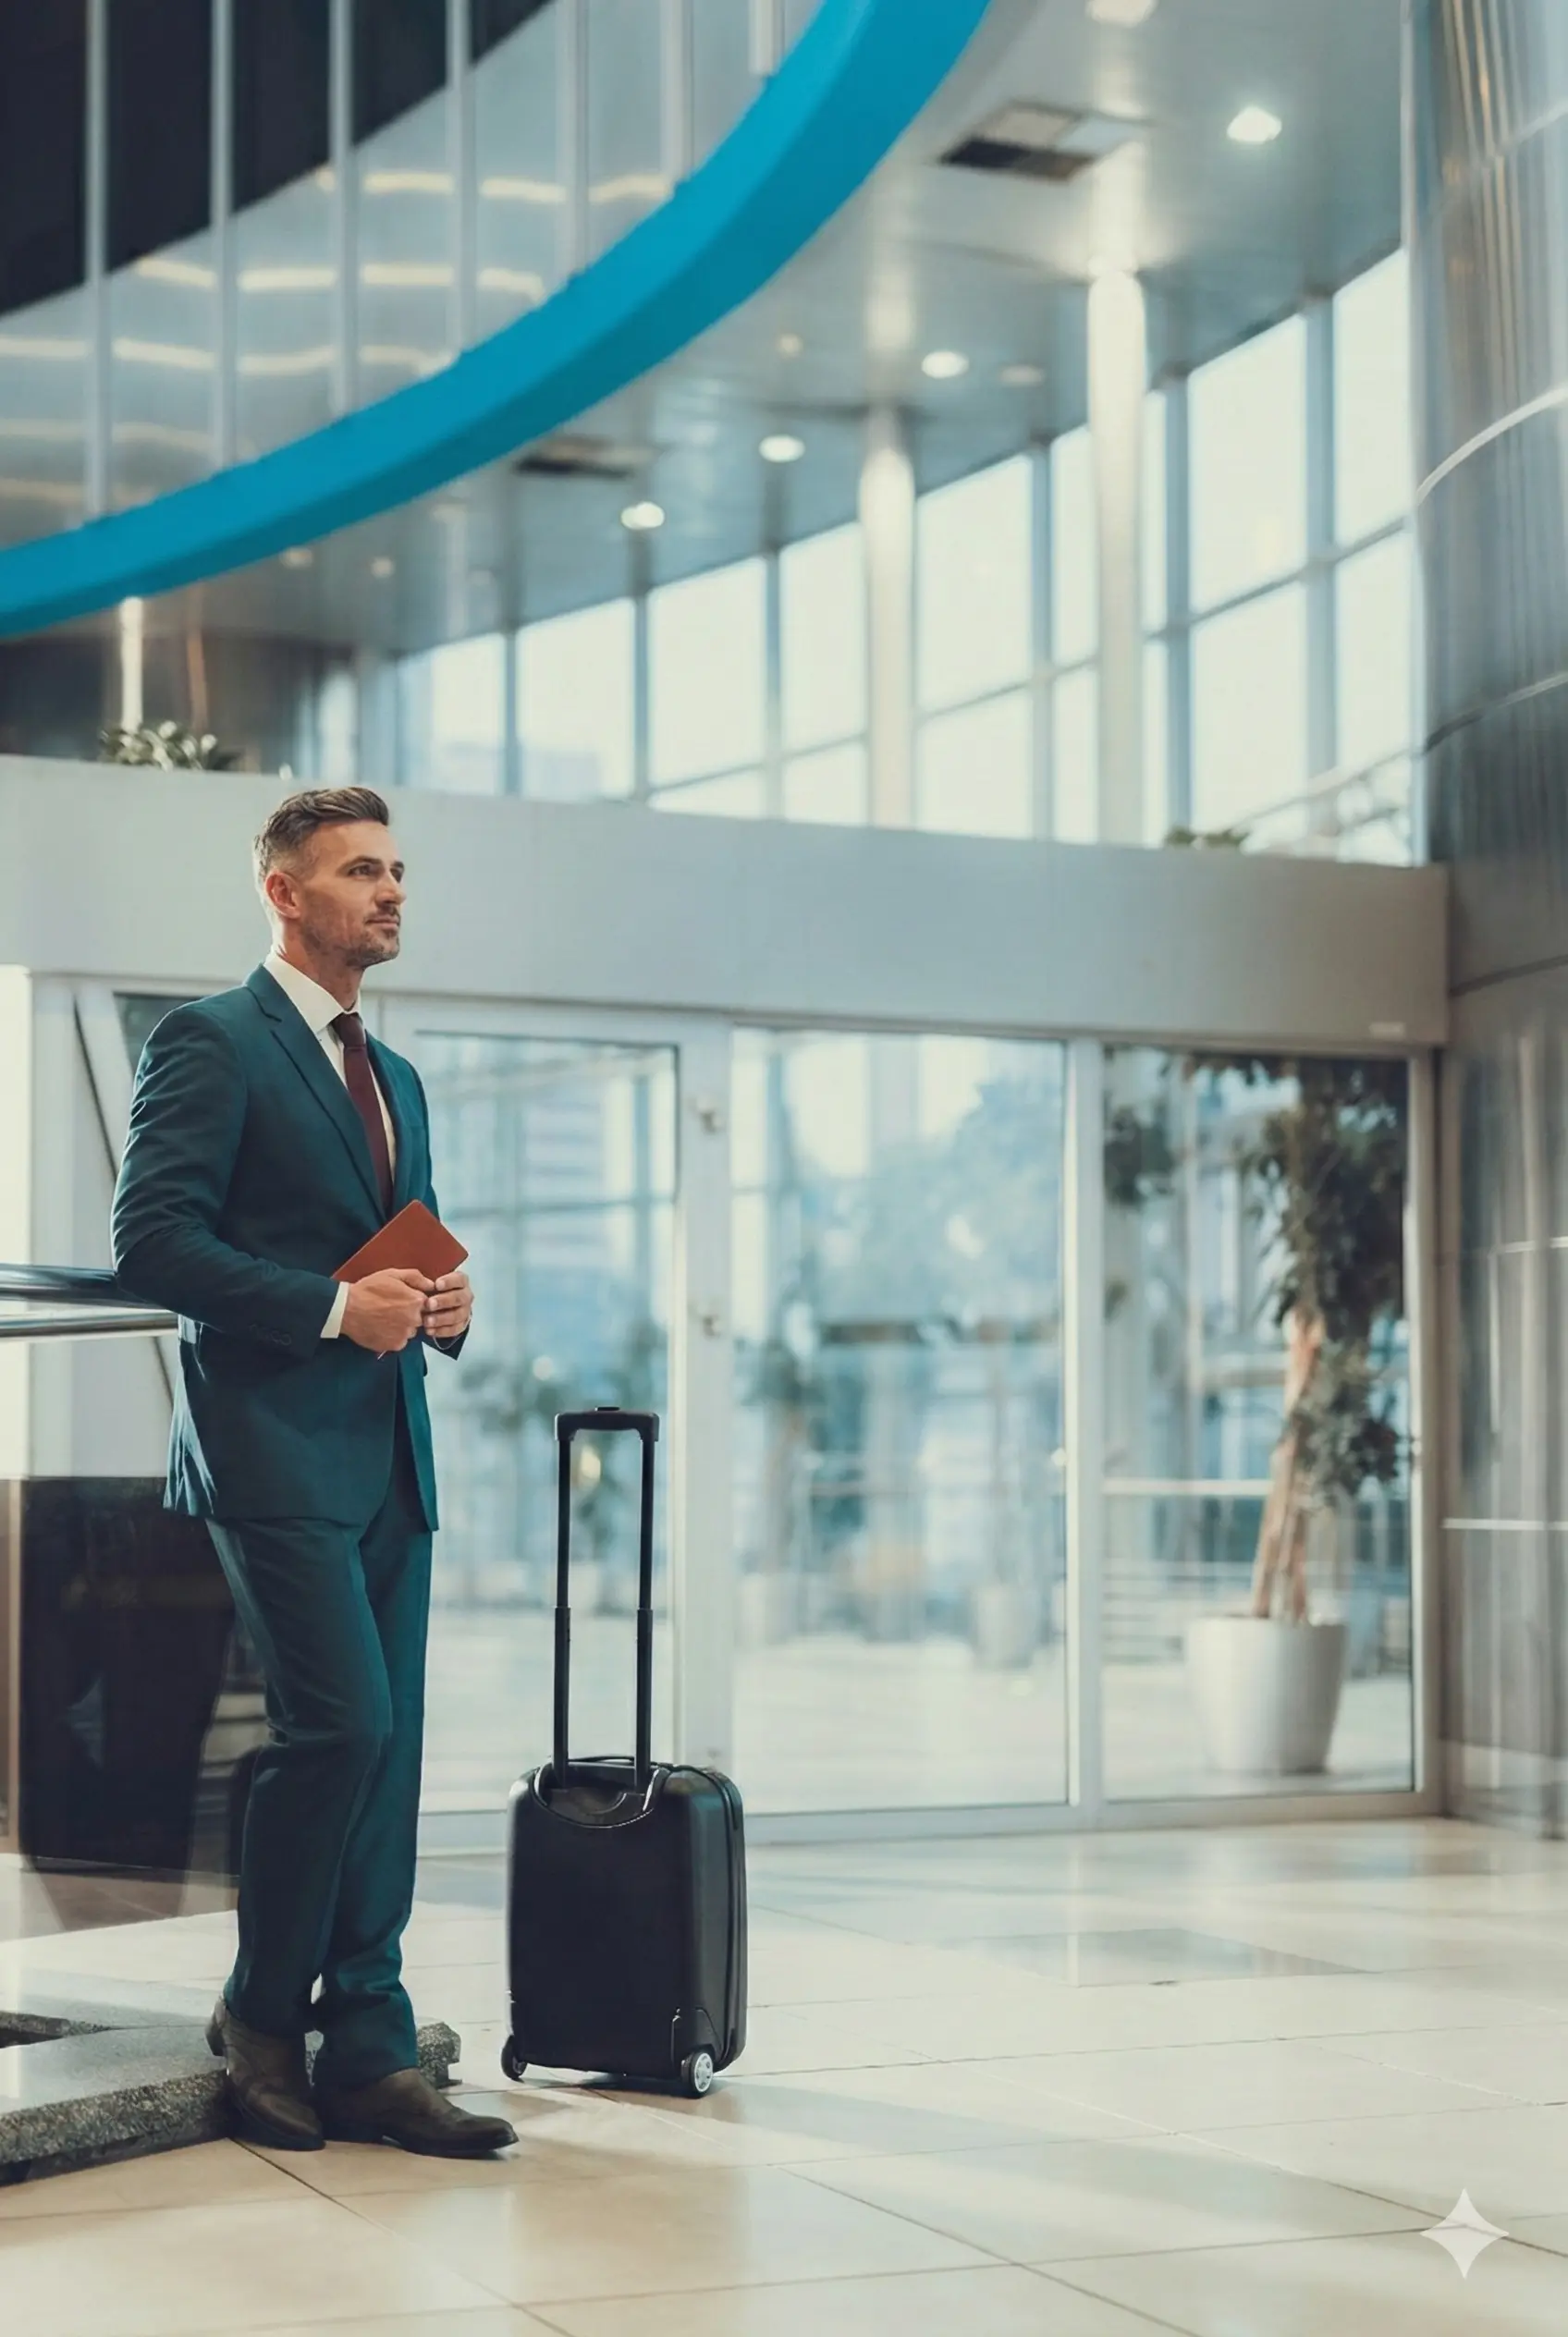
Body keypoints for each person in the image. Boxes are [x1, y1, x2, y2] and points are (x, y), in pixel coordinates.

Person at [112, 786, 516, 2160]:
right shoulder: (211, 1041)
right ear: (285, 893)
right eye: (359, 871)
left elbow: (402, 1240)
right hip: (270, 1449)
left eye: (396, 870)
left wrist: (445, 1305)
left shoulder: (394, 1075)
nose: (391, 892)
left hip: (391, 1451)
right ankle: (262, 2017)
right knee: (337, 1728)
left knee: (387, 1752)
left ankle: (375, 2050)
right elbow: (152, 1243)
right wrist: (337, 1310)